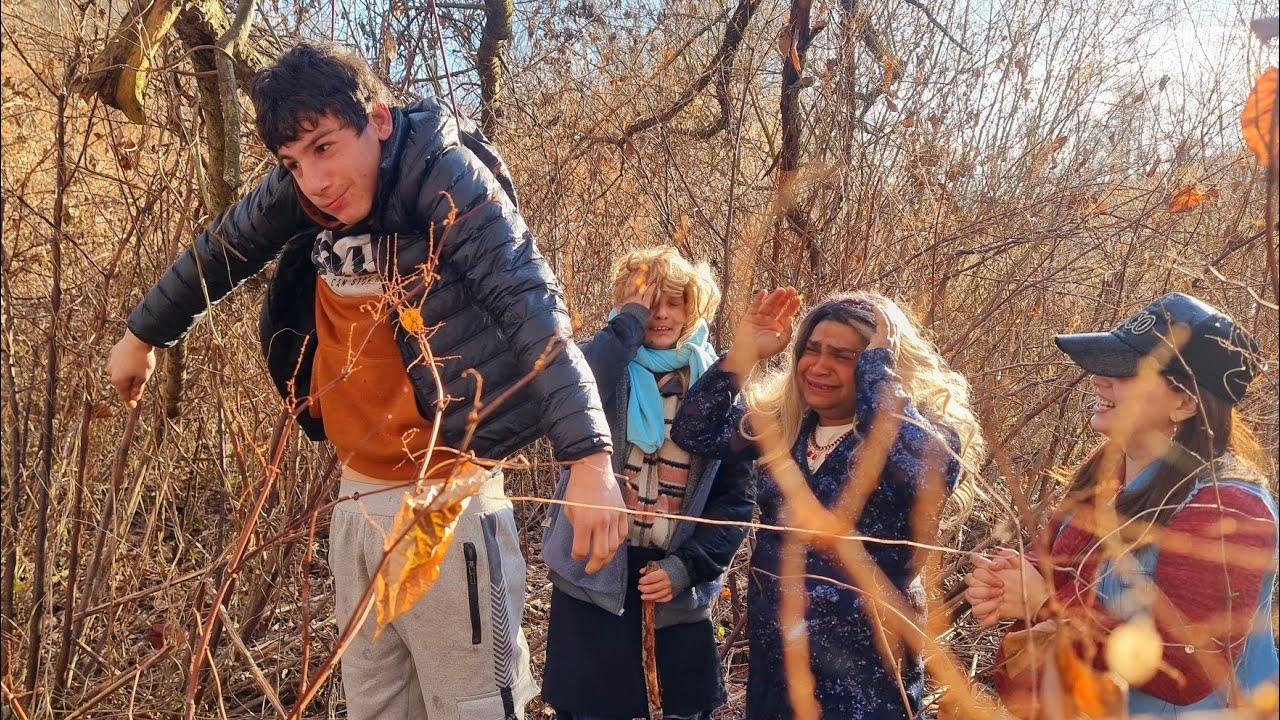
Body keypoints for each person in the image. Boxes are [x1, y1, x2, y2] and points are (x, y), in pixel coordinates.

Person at [104, 41, 627, 720]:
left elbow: (531, 300)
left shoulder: (447, 178)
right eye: (293, 163)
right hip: (356, 498)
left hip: (446, 501)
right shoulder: (307, 194)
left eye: (325, 148)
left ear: (378, 119)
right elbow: (223, 248)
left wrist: (588, 457)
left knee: (473, 707)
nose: (314, 180)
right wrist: (143, 334)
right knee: (375, 706)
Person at [671, 288, 985, 719]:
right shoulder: (786, 428)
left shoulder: (922, 436)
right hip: (777, 670)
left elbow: (920, 477)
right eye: (812, 350)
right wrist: (742, 356)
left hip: (864, 682)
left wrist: (877, 373)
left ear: (886, 363)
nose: (820, 366)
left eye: (845, 356)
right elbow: (696, 432)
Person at [964, 292, 1278, 717]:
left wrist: (1044, 605)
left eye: (1127, 369)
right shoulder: (1102, 478)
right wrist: (1006, 587)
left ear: (1185, 402)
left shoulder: (1229, 507)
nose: (1098, 378)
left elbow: (1187, 664)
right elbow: (1047, 583)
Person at [540, 247, 754, 720]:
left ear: (692, 308)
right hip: (593, 572)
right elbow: (563, 386)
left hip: (675, 578)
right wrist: (627, 328)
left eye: (673, 302)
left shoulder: (717, 386)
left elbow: (735, 502)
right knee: (591, 709)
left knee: (678, 706)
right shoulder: (600, 371)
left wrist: (687, 568)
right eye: (647, 302)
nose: (661, 314)